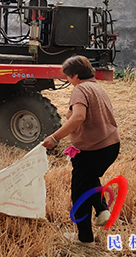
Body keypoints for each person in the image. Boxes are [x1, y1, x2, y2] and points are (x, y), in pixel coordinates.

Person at [42, 55, 120, 245]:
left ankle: (85, 239)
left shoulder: (80, 90)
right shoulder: (97, 88)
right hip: (110, 145)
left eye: (68, 77)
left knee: (79, 192)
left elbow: (78, 118)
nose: (68, 81)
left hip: (94, 149)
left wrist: (54, 138)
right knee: (88, 181)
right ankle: (102, 210)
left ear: (76, 75)